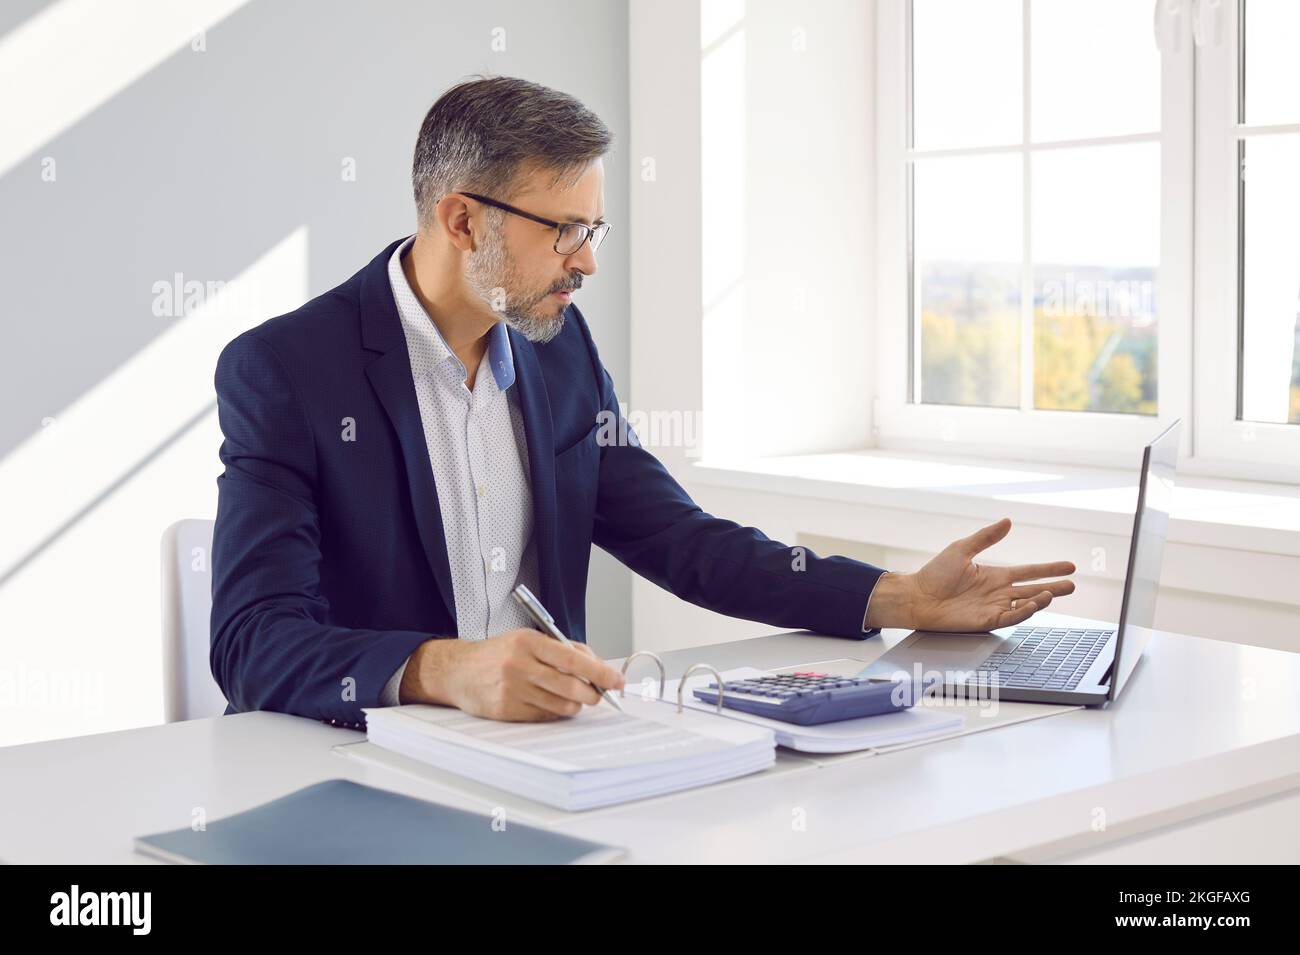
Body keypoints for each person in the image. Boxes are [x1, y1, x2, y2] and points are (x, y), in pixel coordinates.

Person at [210, 76, 1075, 729]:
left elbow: (679, 539)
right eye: (564, 232)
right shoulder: (285, 371)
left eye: (594, 230)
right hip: (367, 773)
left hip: (553, 761)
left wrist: (898, 598)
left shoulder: (558, 350)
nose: (585, 263)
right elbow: (252, 643)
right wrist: (449, 669)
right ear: (463, 220)